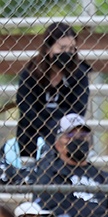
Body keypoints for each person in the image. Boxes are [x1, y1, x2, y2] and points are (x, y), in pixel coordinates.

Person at [13, 22, 90, 160]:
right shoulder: (31, 73)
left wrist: (50, 119)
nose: (67, 53)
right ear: (48, 49)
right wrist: (51, 122)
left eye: (72, 49)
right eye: (62, 48)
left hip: (66, 137)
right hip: (32, 135)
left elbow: (78, 110)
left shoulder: (79, 75)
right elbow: (26, 108)